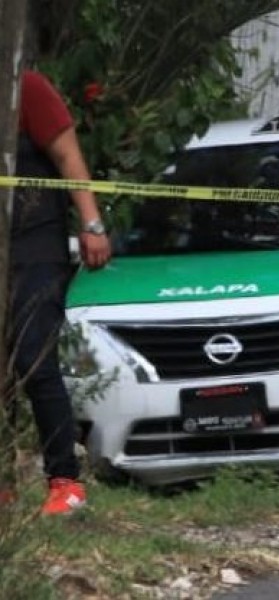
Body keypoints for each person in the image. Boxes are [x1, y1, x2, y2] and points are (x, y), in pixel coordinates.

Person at [2, 69, 111, 515]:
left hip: (35, 244)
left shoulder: (24, 85)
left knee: (32, 359)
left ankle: (65, 482)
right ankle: (5, 485)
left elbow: (68, 158)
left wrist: (92, 223)